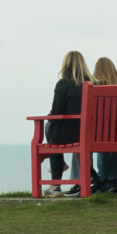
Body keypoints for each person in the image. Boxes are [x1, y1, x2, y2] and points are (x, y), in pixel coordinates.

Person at [43, 51, 94, 197]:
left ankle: (55, 186)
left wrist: (49, 117)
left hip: (70, 134)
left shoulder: (63, 84)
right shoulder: (95, 83)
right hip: (91, 133)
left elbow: (56, 113)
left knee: (50, 130)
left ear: (66, 65)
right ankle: (62, 172)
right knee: (52, 131)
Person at [91, 57, 117, 194]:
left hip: (102, 130)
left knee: (102, 137)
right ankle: (112, 180)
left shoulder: (94, 84)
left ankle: (102, 179)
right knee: (116, 139)